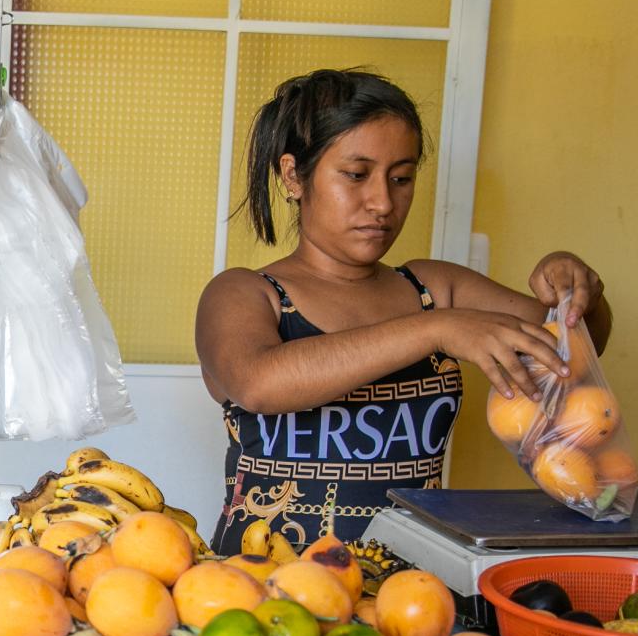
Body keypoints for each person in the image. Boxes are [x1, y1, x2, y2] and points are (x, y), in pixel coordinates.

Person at [197, 69, 613, 552]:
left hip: (414, 589)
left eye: (402, 178)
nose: (382, 202)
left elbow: (572, 350)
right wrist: (435, 329)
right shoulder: (245, 293)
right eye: (356, 175)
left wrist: (581, 293)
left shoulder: (434, 287)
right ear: (293, 176)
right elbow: (258, 383)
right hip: (261, 588)